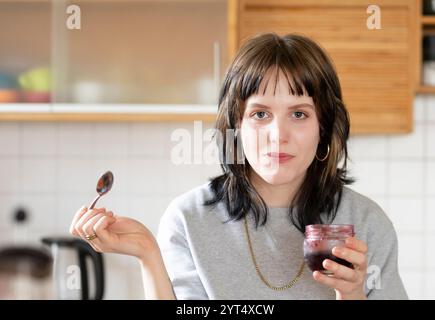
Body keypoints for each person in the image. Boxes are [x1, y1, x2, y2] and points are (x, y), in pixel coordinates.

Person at [69, 33, 408, 300]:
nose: (278, 136)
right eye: (260, 114)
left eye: (299, 114)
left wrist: (351, 295)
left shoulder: (366, 223)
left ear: (324, 127)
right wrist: (147, 253)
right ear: (236, 126)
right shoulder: (188, 219)